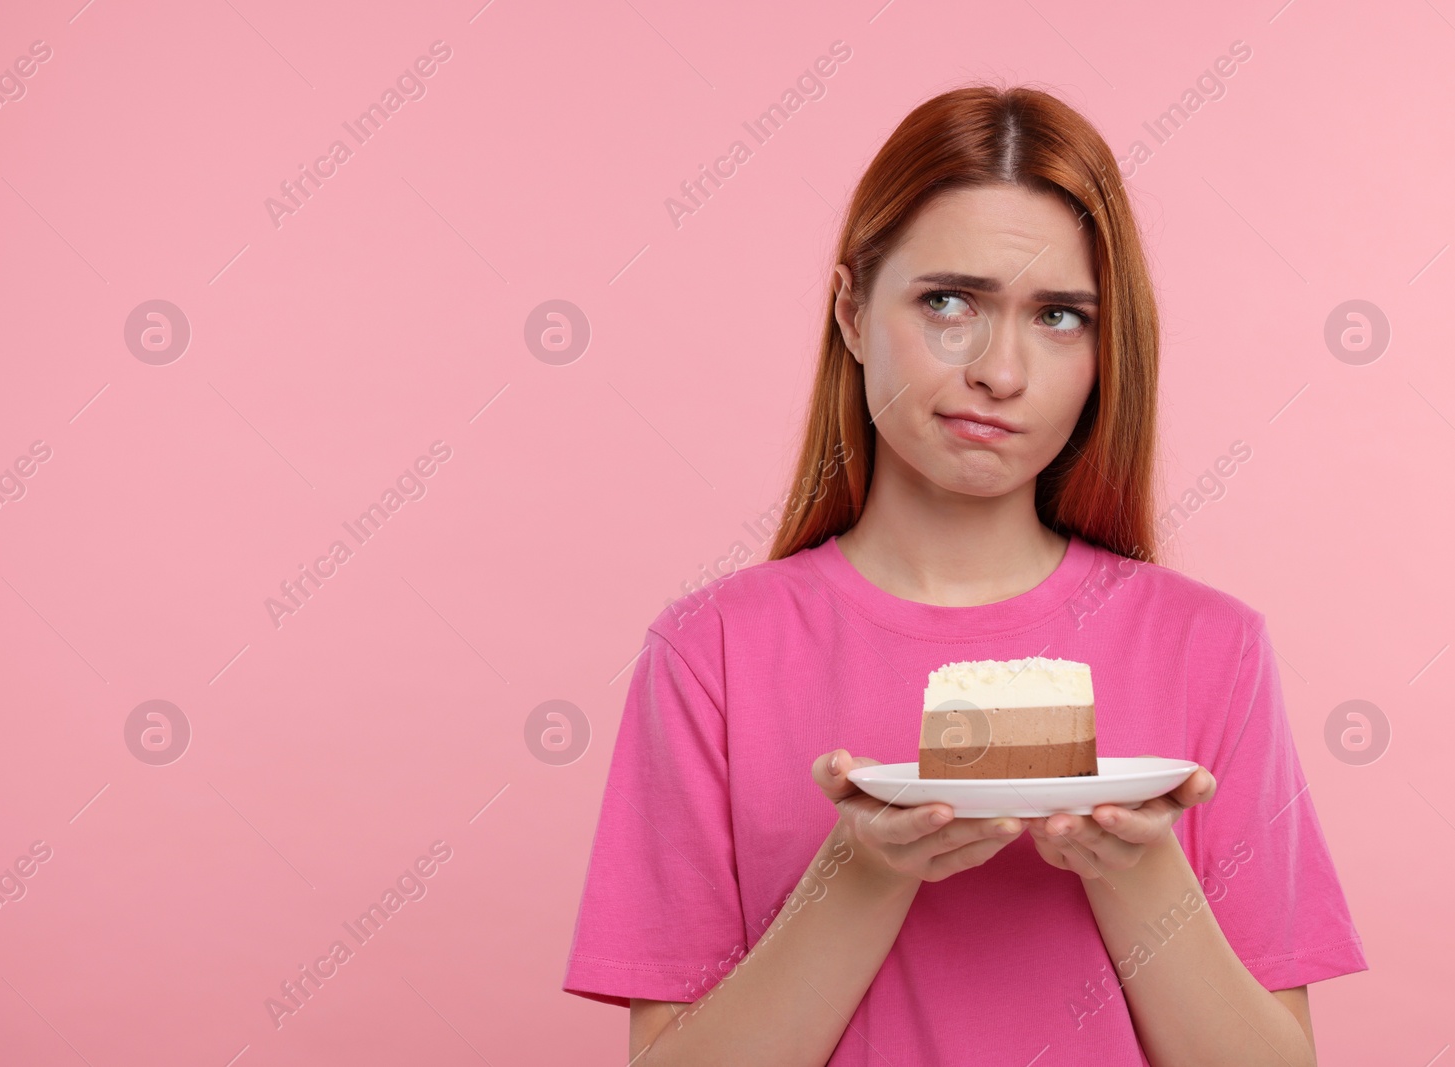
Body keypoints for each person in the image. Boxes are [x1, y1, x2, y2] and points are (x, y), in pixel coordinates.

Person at [562, 83, 1366, 1066]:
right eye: (948, 302)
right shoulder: (711, 654)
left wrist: (1137, 869)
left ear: (1107, 350)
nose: (1000, 369)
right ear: (852, 311)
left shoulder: (1211, 648)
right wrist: (859, 871)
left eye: (1059, 316)